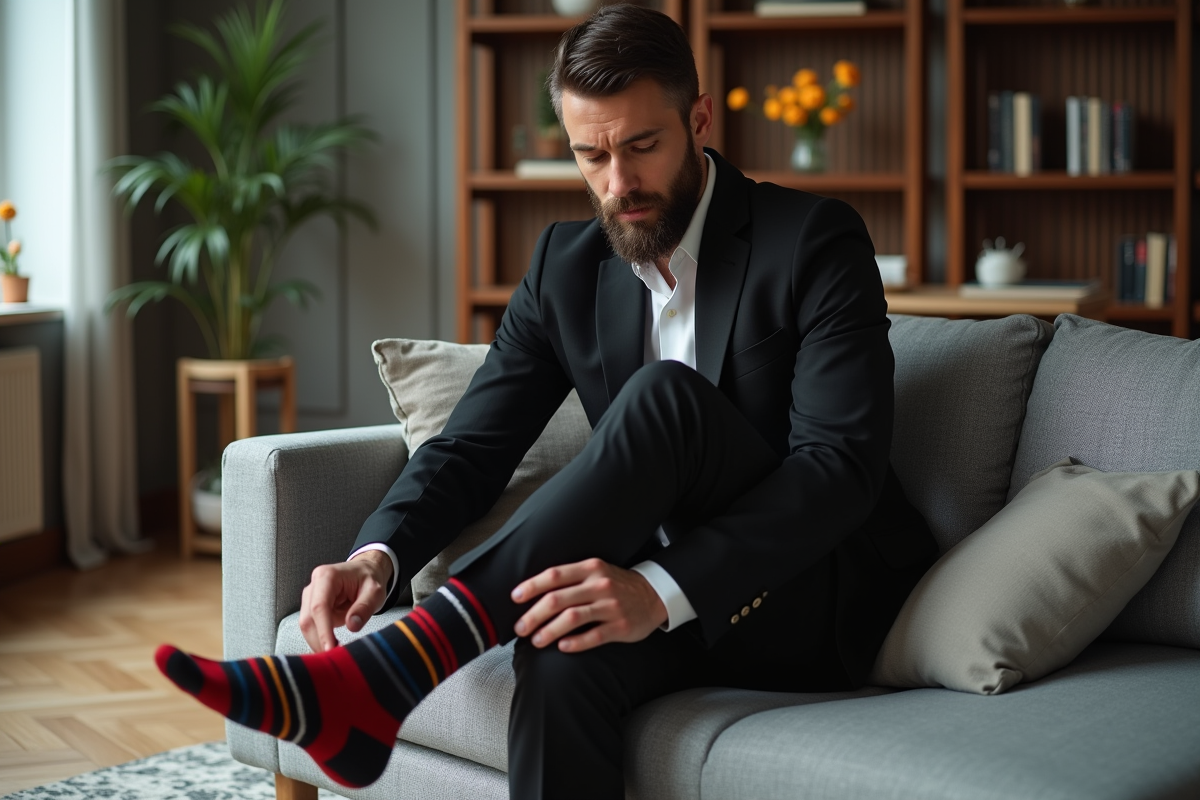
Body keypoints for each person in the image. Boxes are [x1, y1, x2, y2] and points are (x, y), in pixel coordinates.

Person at [155, 5, 938, 799]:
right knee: (557, 647)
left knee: (668, 398)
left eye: (642, 146)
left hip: (807, 594)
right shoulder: (566, 266)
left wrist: (659, 589)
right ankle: (393, 671)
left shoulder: (812, 239)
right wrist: (376, 559)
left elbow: (837, 469)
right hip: (653, 589)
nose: (618, 184)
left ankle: (407, 660)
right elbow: (472, 447)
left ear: (699, 120)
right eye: (591, 155)